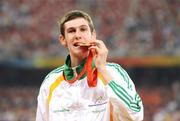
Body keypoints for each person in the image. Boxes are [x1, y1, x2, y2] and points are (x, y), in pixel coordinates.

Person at [36, 10, 144, 121]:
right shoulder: (50, 82)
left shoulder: (112, 72)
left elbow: (135, 114)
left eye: (83, 29)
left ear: (93, 35)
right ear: (63, 40)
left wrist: (102, 69)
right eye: (71, 31)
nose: (78, 35)